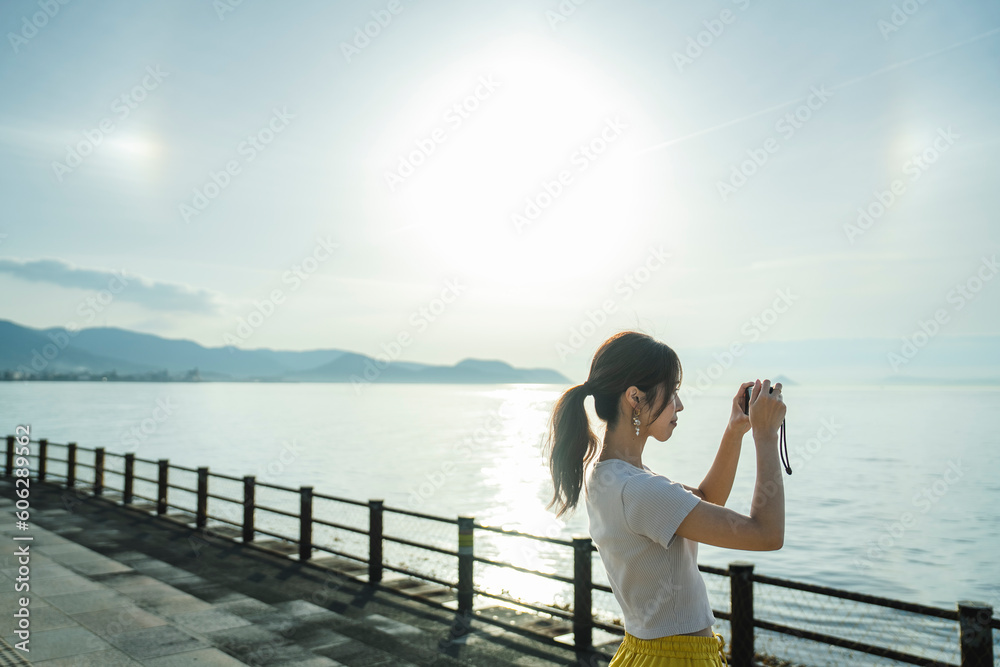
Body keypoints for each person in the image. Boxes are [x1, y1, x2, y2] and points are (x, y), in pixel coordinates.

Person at [544, 331, 786, 667]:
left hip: (645, 653)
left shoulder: (607, 477)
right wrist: (765, 434)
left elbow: (704, 500)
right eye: (671, 393)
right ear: (635, 398)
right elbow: (766, 534)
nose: (680, 405)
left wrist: (735, 430)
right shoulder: (638, 489)